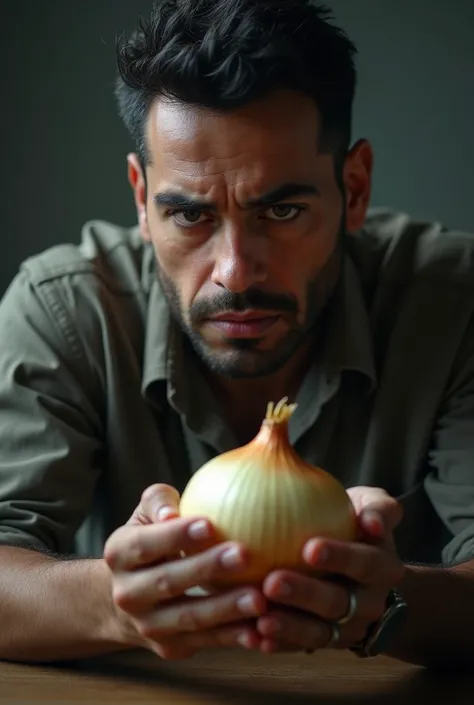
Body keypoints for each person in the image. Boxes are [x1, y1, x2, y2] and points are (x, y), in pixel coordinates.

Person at [1, 0, 474, 669]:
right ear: (142, 199)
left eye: (281, 210)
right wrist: (117, 601)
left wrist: (388, 600)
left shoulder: (454, 304)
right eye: (191, 215)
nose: (235, 273)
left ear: (355, 187)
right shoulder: (66, 311)